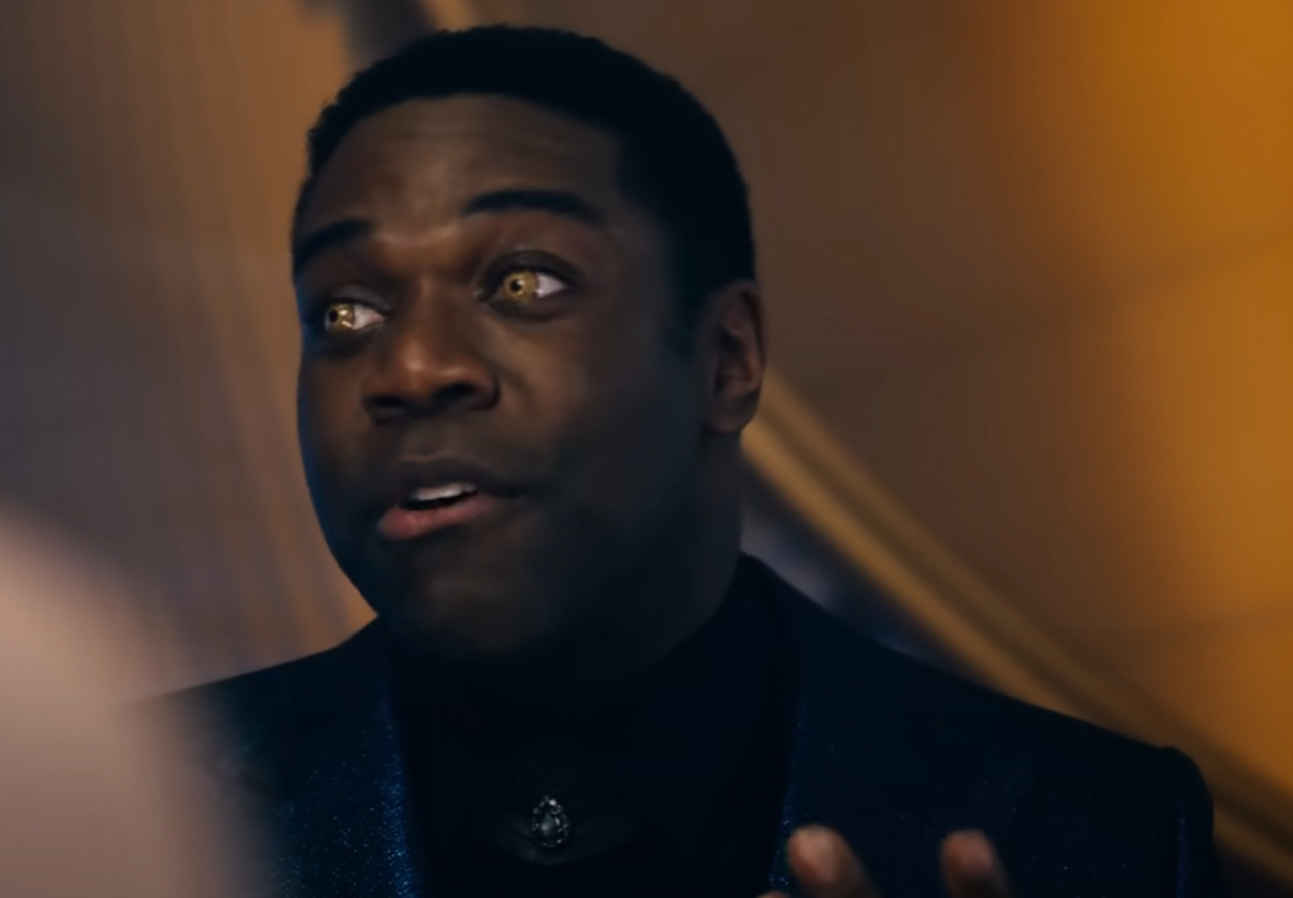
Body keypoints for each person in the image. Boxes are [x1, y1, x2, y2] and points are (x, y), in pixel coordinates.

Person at [171, 25, 1223, 898]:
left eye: (524, 283)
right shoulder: (136, 803)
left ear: (727, 358)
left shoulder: (1102, 827)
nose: (410, 367)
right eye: (345, 310)